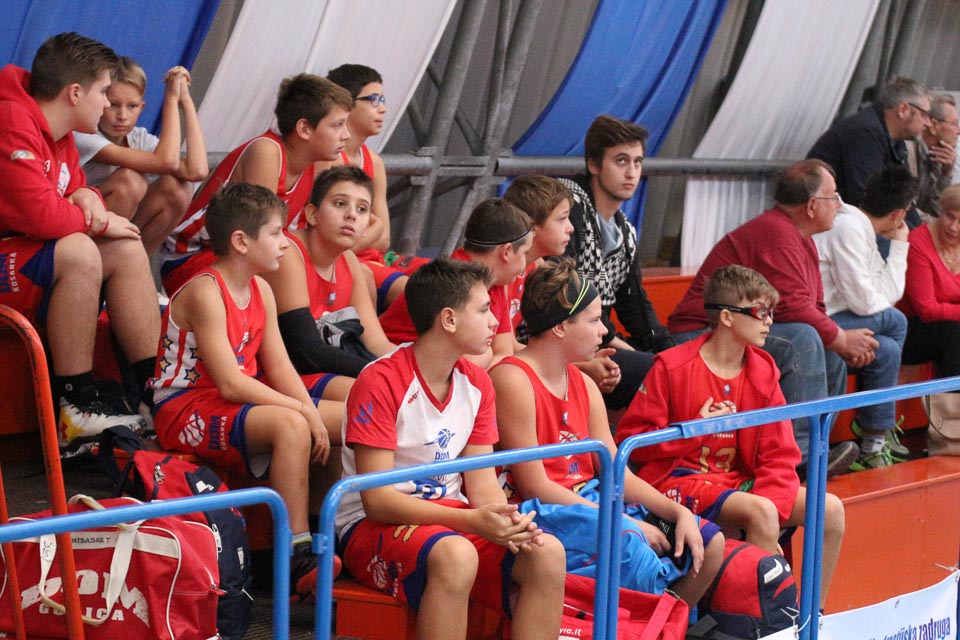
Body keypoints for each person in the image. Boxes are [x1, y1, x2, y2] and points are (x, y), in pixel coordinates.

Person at [335, 257, 565, 640]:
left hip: (450, 519)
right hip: (371, 525)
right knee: (457, 555)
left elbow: (482, 483)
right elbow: (377, 501)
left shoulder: (478, 383)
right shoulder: (379, 381)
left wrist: (502, 519)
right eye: (484, 309)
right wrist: (472, 522)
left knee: (546, 552)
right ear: (449, 319)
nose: (495, 321)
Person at [491, 258, 723, 605]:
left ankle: (657, 625)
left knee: (707, 541)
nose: (604, 331)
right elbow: (535, 486)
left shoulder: (584, 383)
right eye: (594, 320)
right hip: (543, 512)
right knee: (632, 546)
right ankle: (634, 620)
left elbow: (617, 473)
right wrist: (621, 521)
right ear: (560, 327)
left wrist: (678, 513)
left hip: (594, 503)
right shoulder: (512, 379)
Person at [150, 183, 339, 601]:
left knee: (339, 422)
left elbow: (281, 367)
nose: (286, 243)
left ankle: (323, 532)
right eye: (276, 232)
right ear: (241, 241)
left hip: (228, 401)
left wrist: (312, 411)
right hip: (184, 406)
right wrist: (302, 411)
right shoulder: (205, 290)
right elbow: (231, 382)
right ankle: (295, 552)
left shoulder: (262, 289)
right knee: (292, 425)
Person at [621, 265, 845, 608]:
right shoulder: (672, 366)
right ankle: (762, 620)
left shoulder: (763, 369)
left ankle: (812, 615)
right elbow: (633, 444)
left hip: (734, 481)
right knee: (761, 512)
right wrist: (693, 430)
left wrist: (771, 506)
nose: (769, 321)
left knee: (829, 509)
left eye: (771, 312)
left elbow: (780, 453)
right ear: (726, 317)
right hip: (678, 481)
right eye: (760, 312)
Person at [0, 32, 161, 448]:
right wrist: (98, 222)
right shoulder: (11, 120)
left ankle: (158, 393)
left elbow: (71, 188)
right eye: (104, 92)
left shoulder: (60, 131)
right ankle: (76, 407)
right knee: (79, 249)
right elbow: (42, 215)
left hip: (18, 253)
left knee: (126, 248)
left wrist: (88, 194)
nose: (108, 104)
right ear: (75, 93)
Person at [669, 160, 873, 474]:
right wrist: (843, 339)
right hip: (700, 332)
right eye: (833, 196)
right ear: (811, 206)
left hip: (737, 328)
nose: (839, 204)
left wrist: (839, 342)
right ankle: (798, 459)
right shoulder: (777, 233)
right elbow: (793, 307)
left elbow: (813, 306)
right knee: (804, 339)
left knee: (826, 347)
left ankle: (817, 448)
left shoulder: (799, 238)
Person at [160, 73, 352, 294]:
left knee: (343, 263)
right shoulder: (267, 151)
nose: (346, 135)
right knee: (288, 265)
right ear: (304, 129)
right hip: (191, 257)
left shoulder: (317, 163)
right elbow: (259, 237)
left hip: (240, 256)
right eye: (337, 125)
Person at [560, 115, 674, 412]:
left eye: (637, 162)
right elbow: (565, 291)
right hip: (564, 343)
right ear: (593, 164)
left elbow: (635, 305)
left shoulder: (624, 229)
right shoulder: (568, 206)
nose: (631, 172)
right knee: (662, 374)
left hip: (599, 339)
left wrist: (669, 350)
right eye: (621, 161)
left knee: (679, 367)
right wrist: (635, 351)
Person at [814, 166, 919, 468]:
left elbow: (884, 296)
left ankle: (874, 443)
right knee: (896, 321)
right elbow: (865, 304)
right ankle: (878, 427)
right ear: (900, 214)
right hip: (819, 322)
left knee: (887, 350)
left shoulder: (860, 228)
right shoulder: (847, 228)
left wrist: (898, 244)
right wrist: (900, 245)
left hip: (841, 318)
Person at [263, 166, 396, 398]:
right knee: (381, 394)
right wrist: (382, 373)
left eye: (362, 209)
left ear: (366, 227)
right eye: (340, 203)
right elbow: (305, 351)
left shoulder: (349, 261)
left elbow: (376, 343)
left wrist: (410, 370)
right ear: (312, 215)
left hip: (324, 368)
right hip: (287, 375)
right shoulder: (289, 253)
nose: (351, 215)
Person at [74, 56, 208, 253]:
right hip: (78, 233)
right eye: (113, 104)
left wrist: (185, 101)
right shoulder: (84, 134)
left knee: (177, 190)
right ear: (100, 100)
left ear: (142, 107)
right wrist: (170, 100)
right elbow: (166, 162)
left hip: (119, 235)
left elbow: (196, 171)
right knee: (130, 181)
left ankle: (134, 260)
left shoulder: (139, 138)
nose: (122, 116)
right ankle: (101, 260)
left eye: (132, 106)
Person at [378, 198, 533, 369]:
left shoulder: (496, 279)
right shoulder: (453, 283)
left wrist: (488, 359)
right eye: (525, 253)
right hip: (398, 368)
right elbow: (465, 365)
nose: (525, 263)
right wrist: (488, 357)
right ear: (507, 252)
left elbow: (504, 352)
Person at [503, 174, 622, 396]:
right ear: (532, 226)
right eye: (562, 219)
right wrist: (581, 365)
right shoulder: (503, 275)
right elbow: (505, 351)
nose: (571, 228)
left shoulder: (537, 266)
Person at [326, 63, 411, 312]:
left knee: (448, 283)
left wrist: (374, 230)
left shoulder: (374, 162)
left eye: (383, 100)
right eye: (374, 100)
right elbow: (337, 244)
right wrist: (374, 227)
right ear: (347, 104)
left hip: (376, 259)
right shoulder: (329, 160)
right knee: (420, 296)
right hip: (349, 262)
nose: (383, 108)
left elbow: (384, 239)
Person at [808, 77, 930, 210]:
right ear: (903, 109)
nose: (928, 123)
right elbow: (865, 200)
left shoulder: (894, 139)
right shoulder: (865, 133)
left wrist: (914, 225)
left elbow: (903, 200)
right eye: (924, 115)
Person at [900, 184, 960, 379]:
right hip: (911, 329)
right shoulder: (918, 243)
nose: (953, 227)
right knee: (953, 332)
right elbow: (927, 310)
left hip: (948, 325)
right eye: (949, 216)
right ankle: (951, 397)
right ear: (940, 211)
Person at [905, 94, 959, 219]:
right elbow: (906, 209)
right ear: (934, 125)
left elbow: (938, 210)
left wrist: (946, 174)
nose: (958, 131)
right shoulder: (907, 152)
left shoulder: (939, 156)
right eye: (955, 124)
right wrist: (936, 225)